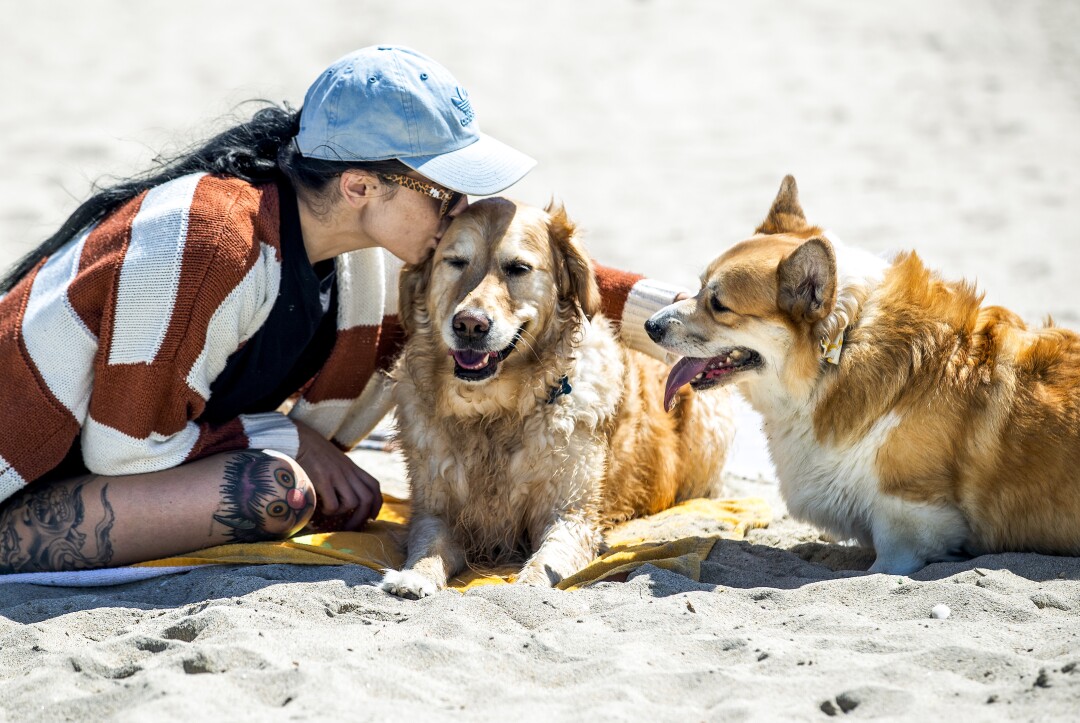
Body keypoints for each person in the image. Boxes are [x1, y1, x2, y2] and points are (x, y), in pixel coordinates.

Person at [0, 45, 686, 573]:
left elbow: (546, 268)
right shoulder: (210, 237)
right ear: (360, 185)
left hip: (104, 471)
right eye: (444, 192)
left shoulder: (366, 256)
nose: (460, 214)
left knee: (286, 487)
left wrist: (677, 315)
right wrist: (287, 435)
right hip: (29, 472)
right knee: (273, 492)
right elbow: (123, 447)